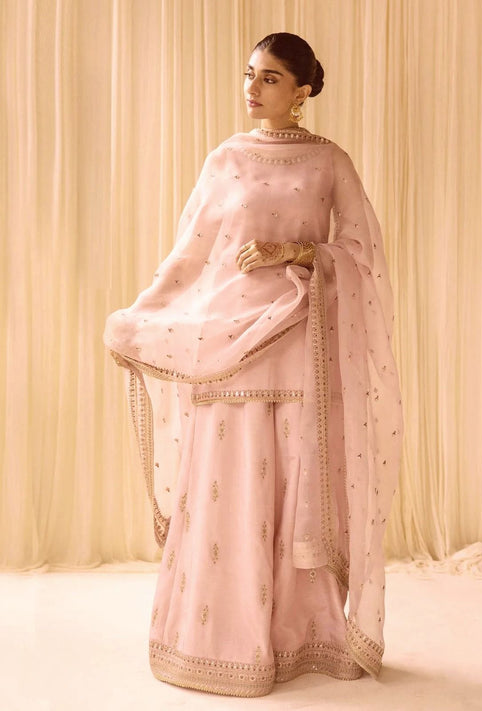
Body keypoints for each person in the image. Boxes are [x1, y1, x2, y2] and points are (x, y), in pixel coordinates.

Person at [103, 31, 403, 698]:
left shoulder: (329, 161)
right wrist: (143, 316)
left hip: (300, 341)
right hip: (227, 345)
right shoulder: (226, 159)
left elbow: (362, 252)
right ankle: (213, 641)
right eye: (249, 74)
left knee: (295, 482)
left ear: (302, 90)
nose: (252, 87)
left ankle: (302, 639)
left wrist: (294, 252)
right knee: (228, 481)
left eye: (269, 78)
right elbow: (190, 255)